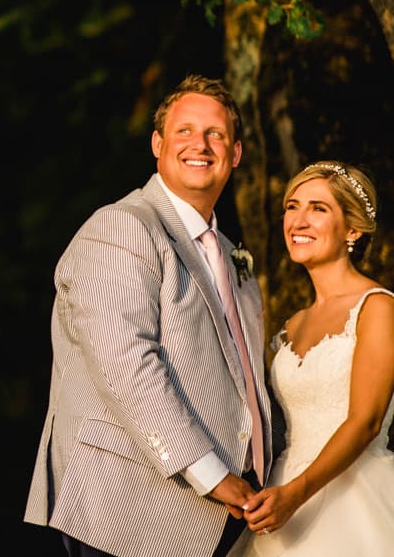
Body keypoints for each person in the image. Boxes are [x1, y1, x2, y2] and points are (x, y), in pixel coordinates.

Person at [25, 74, 273, 557]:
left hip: (226, 516)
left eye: (216, 134)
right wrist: (214, 476)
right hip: (130, 508)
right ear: (157, 143)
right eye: (184, 131)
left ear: (236, 153)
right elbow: (127, 364)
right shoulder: (123, 226)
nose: (200, 144)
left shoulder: (228, 254)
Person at [228, 161, 394, 556]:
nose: (298, 220)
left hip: (353, 495)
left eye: (318, 209)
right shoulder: (293, 324)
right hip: (281, 492)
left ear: (353, 230)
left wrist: (296, 494)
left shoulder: (376, 308)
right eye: (292, 206)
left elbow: (366, 421)